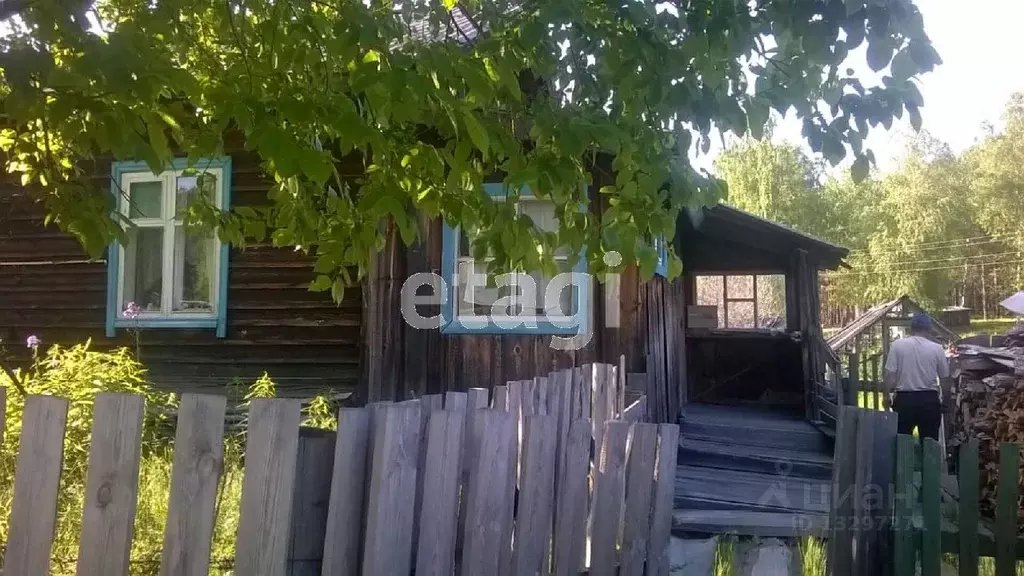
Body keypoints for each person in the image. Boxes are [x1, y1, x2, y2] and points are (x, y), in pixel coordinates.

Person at [882, 313, 950, 440]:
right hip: (929, 399)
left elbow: (890, 374)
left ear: (911, 328)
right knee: (930, 442)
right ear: (929, 330)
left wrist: (886, 396)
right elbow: (944, 378)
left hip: (904, 400)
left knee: (901, 441)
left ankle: (903, 459)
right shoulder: (937, 349)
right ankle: (929, 460)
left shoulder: (898, 345)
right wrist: (945, 400)